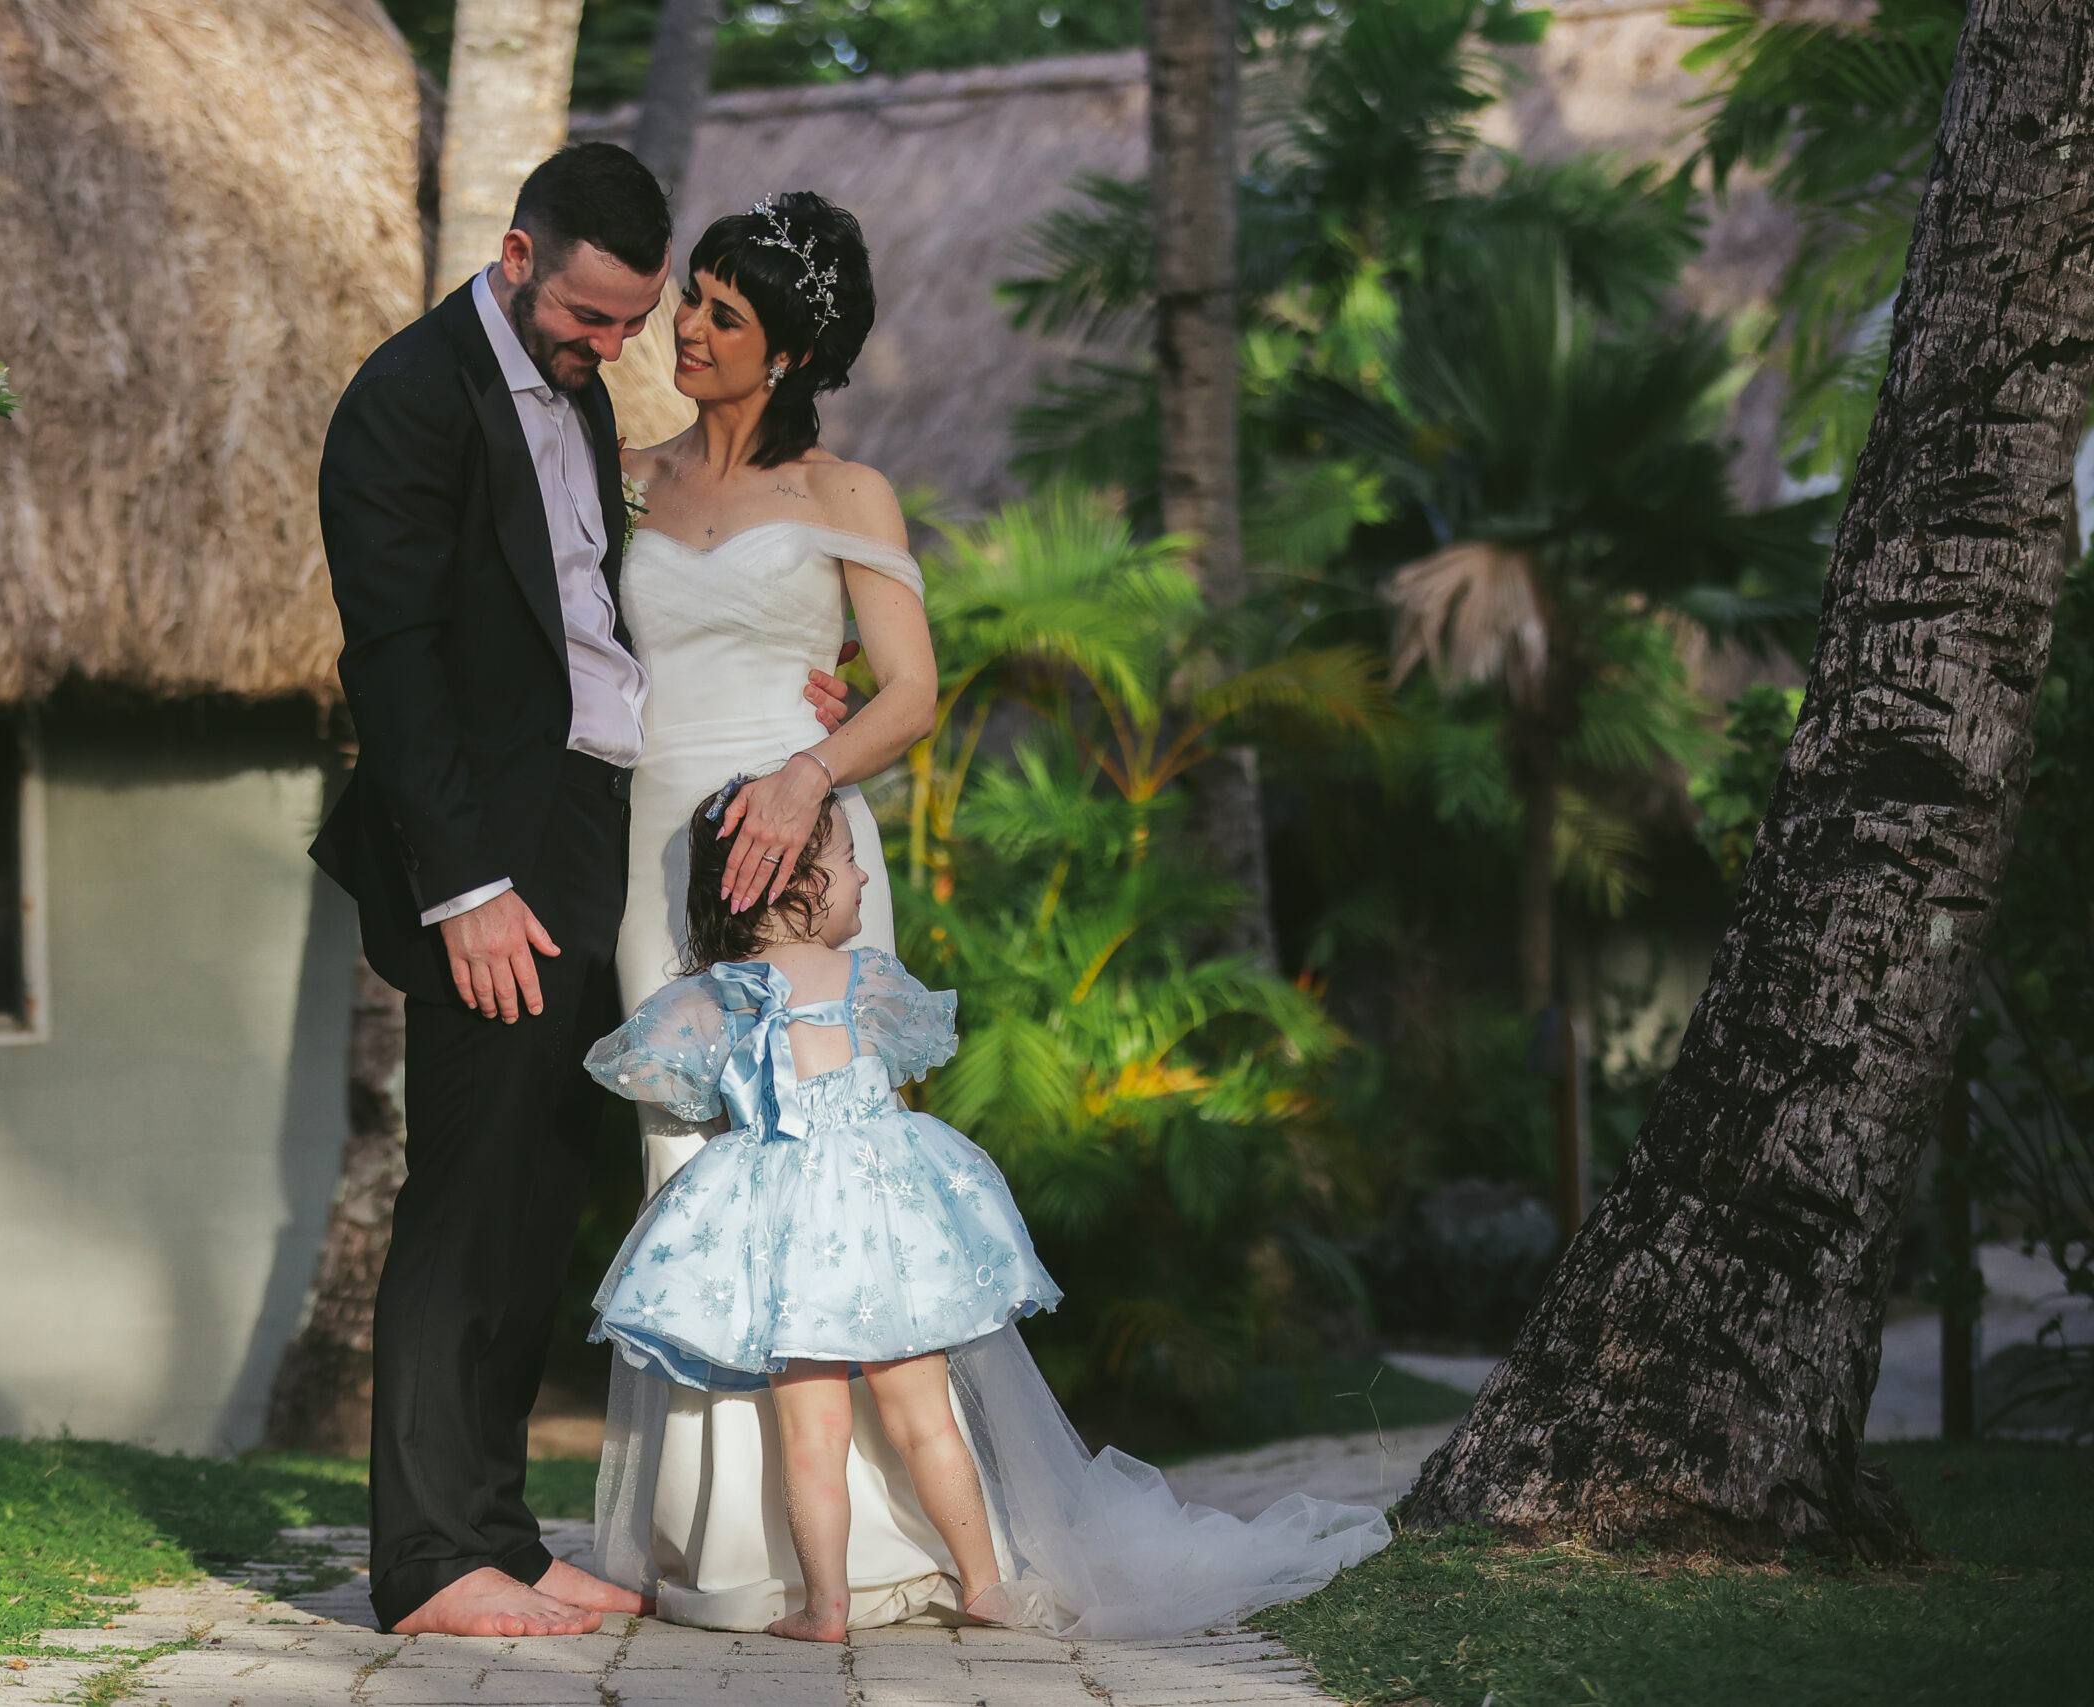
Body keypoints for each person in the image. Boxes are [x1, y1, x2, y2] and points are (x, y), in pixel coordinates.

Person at [309, 143, 859, 1640]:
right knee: (467, 1178)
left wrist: (801, 669)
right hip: (483, 844)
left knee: (545, 1174)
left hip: (587, 819)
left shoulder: (577, 388)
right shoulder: (409, 398)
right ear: (515, 254)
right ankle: (427, 1562)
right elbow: (396, 663)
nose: (617, 347)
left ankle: (495, 1524)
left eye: (630, 322)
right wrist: (465, 885)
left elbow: (606, 608)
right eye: (592, 317)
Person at [584, 783, 1397, 1640]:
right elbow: (904, 1053)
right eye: (850, 860)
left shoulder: (716, 997)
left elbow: (653, 1066)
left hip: (785, 1247)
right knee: (927, 1422)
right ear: (798, 882)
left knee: (811, 1435)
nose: (863, 878)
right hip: (885, 1226)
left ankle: (824, 1607)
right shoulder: (868, 978)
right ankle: (984, 1582)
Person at [600, 191, 961, 1628]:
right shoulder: (617, 476)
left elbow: (914, 693)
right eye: (688, 297)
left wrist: (812, 767)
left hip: (801, 852)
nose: (685, 325)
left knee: (830, 1173)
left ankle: (875, 1535)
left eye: (721, 313)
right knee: (686, 1163)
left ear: (791, 351)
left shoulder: (847, 498)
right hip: (653, 850)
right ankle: (724, 1540)